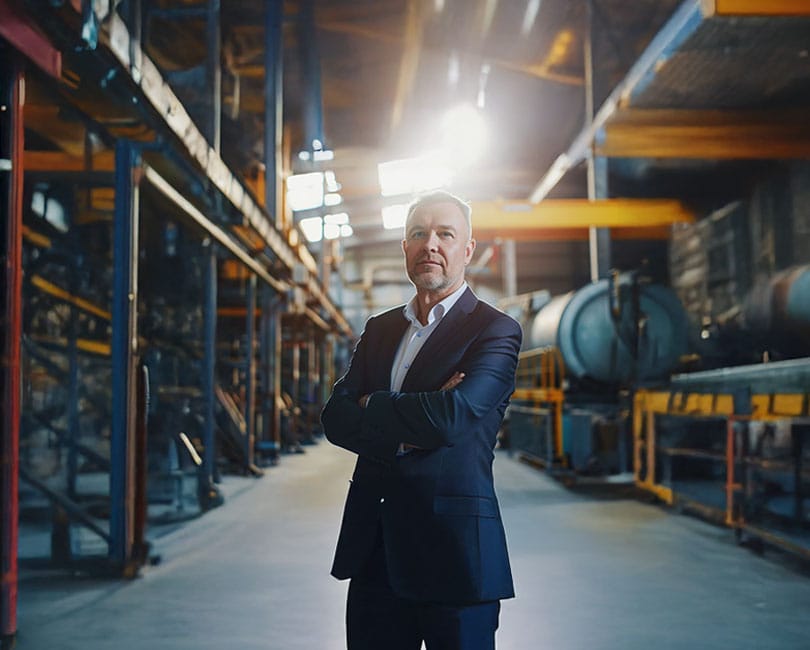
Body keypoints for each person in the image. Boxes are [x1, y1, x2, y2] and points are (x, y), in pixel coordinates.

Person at [321, 190, 522, 650]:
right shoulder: (381, 329)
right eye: (418, 234)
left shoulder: (495, 329)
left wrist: (373, 405)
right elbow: (334, 417)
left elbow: (451, 419)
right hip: (375, 556)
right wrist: (412, 421)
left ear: (466, 250)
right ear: (405, 248)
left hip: (453, 558)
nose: (430, 244)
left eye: (445, 234)